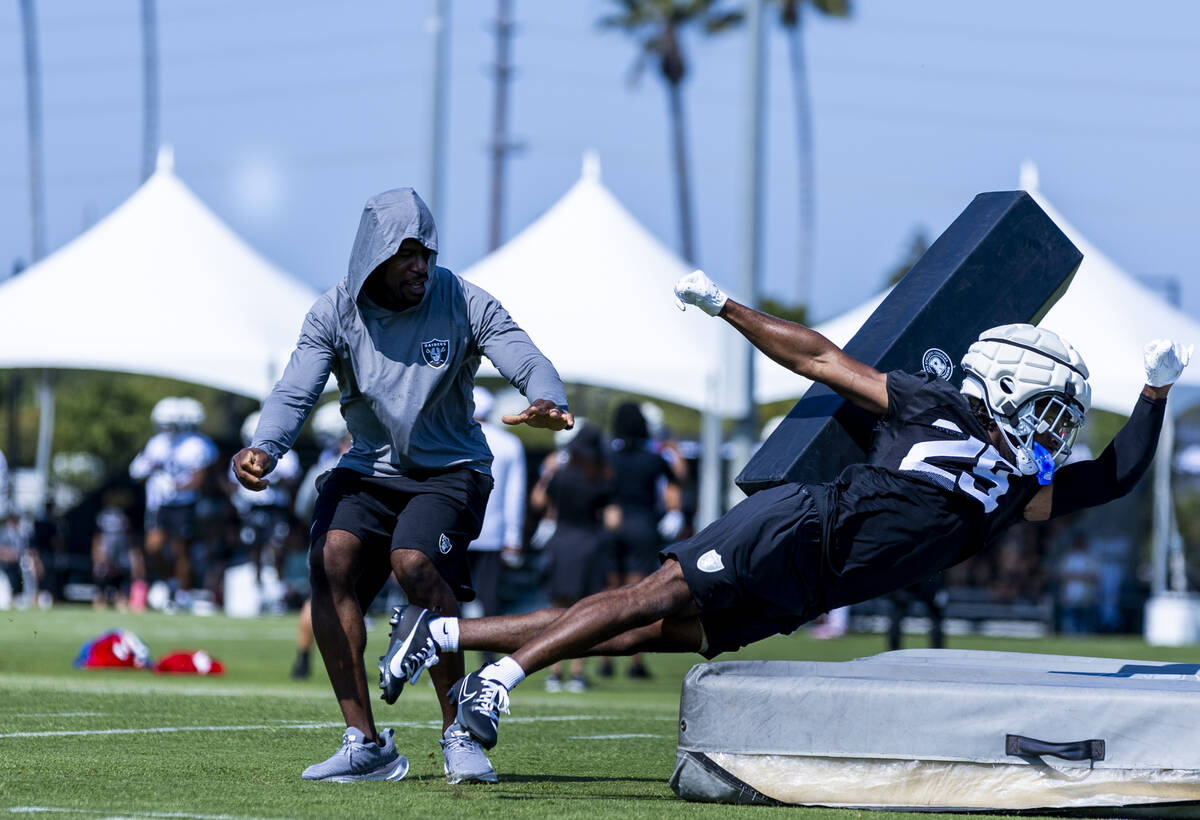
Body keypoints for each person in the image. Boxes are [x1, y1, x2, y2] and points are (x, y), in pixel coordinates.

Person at [380, 268, 1190, 764]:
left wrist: (1154, 394)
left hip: (813, 591)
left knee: (637, 635)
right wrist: (727, 306)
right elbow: (818, 357)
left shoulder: (1019, 484)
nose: (1056, 427)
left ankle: (443, 635)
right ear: (1009, 384)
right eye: (1050, 407)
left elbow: (1115, 478)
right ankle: (497, 682)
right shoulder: (934, 406)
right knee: (645, 600)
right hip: (801, 525)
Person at [230, 187, 572, 784]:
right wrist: (264, 448)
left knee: (413, 562)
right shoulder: (334, 311)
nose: (421, 265)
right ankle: (364, 742)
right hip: (369, 469)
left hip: (453, 471)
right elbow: (295, 391)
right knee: (330, 556)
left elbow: (524, 356)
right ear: (376, 255)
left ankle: (458, 733)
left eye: (427, 252)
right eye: (407, 253)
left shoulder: (463, 300)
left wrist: (547, 399)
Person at [530, 424, 614, 692]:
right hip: (588, 544)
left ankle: (554, 672)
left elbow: (538, 503)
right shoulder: (600, 479)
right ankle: (577, 673)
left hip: (561, 542)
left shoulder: (560, 475)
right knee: (582, 612)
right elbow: (612, 521)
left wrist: (548, 473)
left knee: (557, 610)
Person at [603, 401, 682, 679]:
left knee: (608, 593)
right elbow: (676, 480)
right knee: (637, 596)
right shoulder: (654, 458)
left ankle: (605, 657)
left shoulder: (608, 457)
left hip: (612, 523)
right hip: (643, 524)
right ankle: (635, 662)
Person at [129, 397, 217, 604]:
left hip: (184, 503)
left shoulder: (194, 445)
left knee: (181, 550)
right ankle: (170, 582)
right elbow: (142, 473)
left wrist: (178, 486)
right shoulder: (156, 444)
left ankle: (183, 593)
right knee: (153, 547)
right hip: (161, 503)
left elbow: (200, 478)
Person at [465, 386, 527, 667]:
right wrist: (513, 536)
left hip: (457, 530)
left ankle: (444, 657)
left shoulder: (453, 438)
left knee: (448, 595)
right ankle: (488, 657)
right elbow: (516, 494)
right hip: (493, 532)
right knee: (490, 598)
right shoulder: (509, 444)